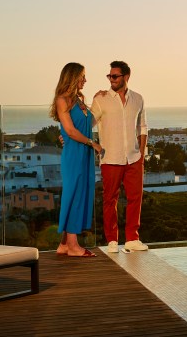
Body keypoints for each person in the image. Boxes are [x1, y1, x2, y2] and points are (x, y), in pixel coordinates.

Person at [91, 60, 148, 253]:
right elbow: (88, 122)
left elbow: (142, 126)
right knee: (110, 200)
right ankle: (112, 241)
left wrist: (141, 153)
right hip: (110, 157)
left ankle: (132, 238)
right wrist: (67, 132)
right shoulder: (101, 99)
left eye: (115, 76)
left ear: (126, 77)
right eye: (109, 76)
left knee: (135, 198)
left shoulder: (138, 99)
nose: (111, 79)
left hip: (133, 158)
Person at [50, 62, 102, 257]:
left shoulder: (79, 100)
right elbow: (70, 131)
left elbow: (89, 122)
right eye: (82, 77)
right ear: (72, 77)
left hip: (83, 153)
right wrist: (93, 143)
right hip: (74, 154)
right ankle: (73, 246)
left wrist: (98, 101)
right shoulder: (62, 100)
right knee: (74, 195)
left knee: (80, 194)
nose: (85, 80)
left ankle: (64, 244)